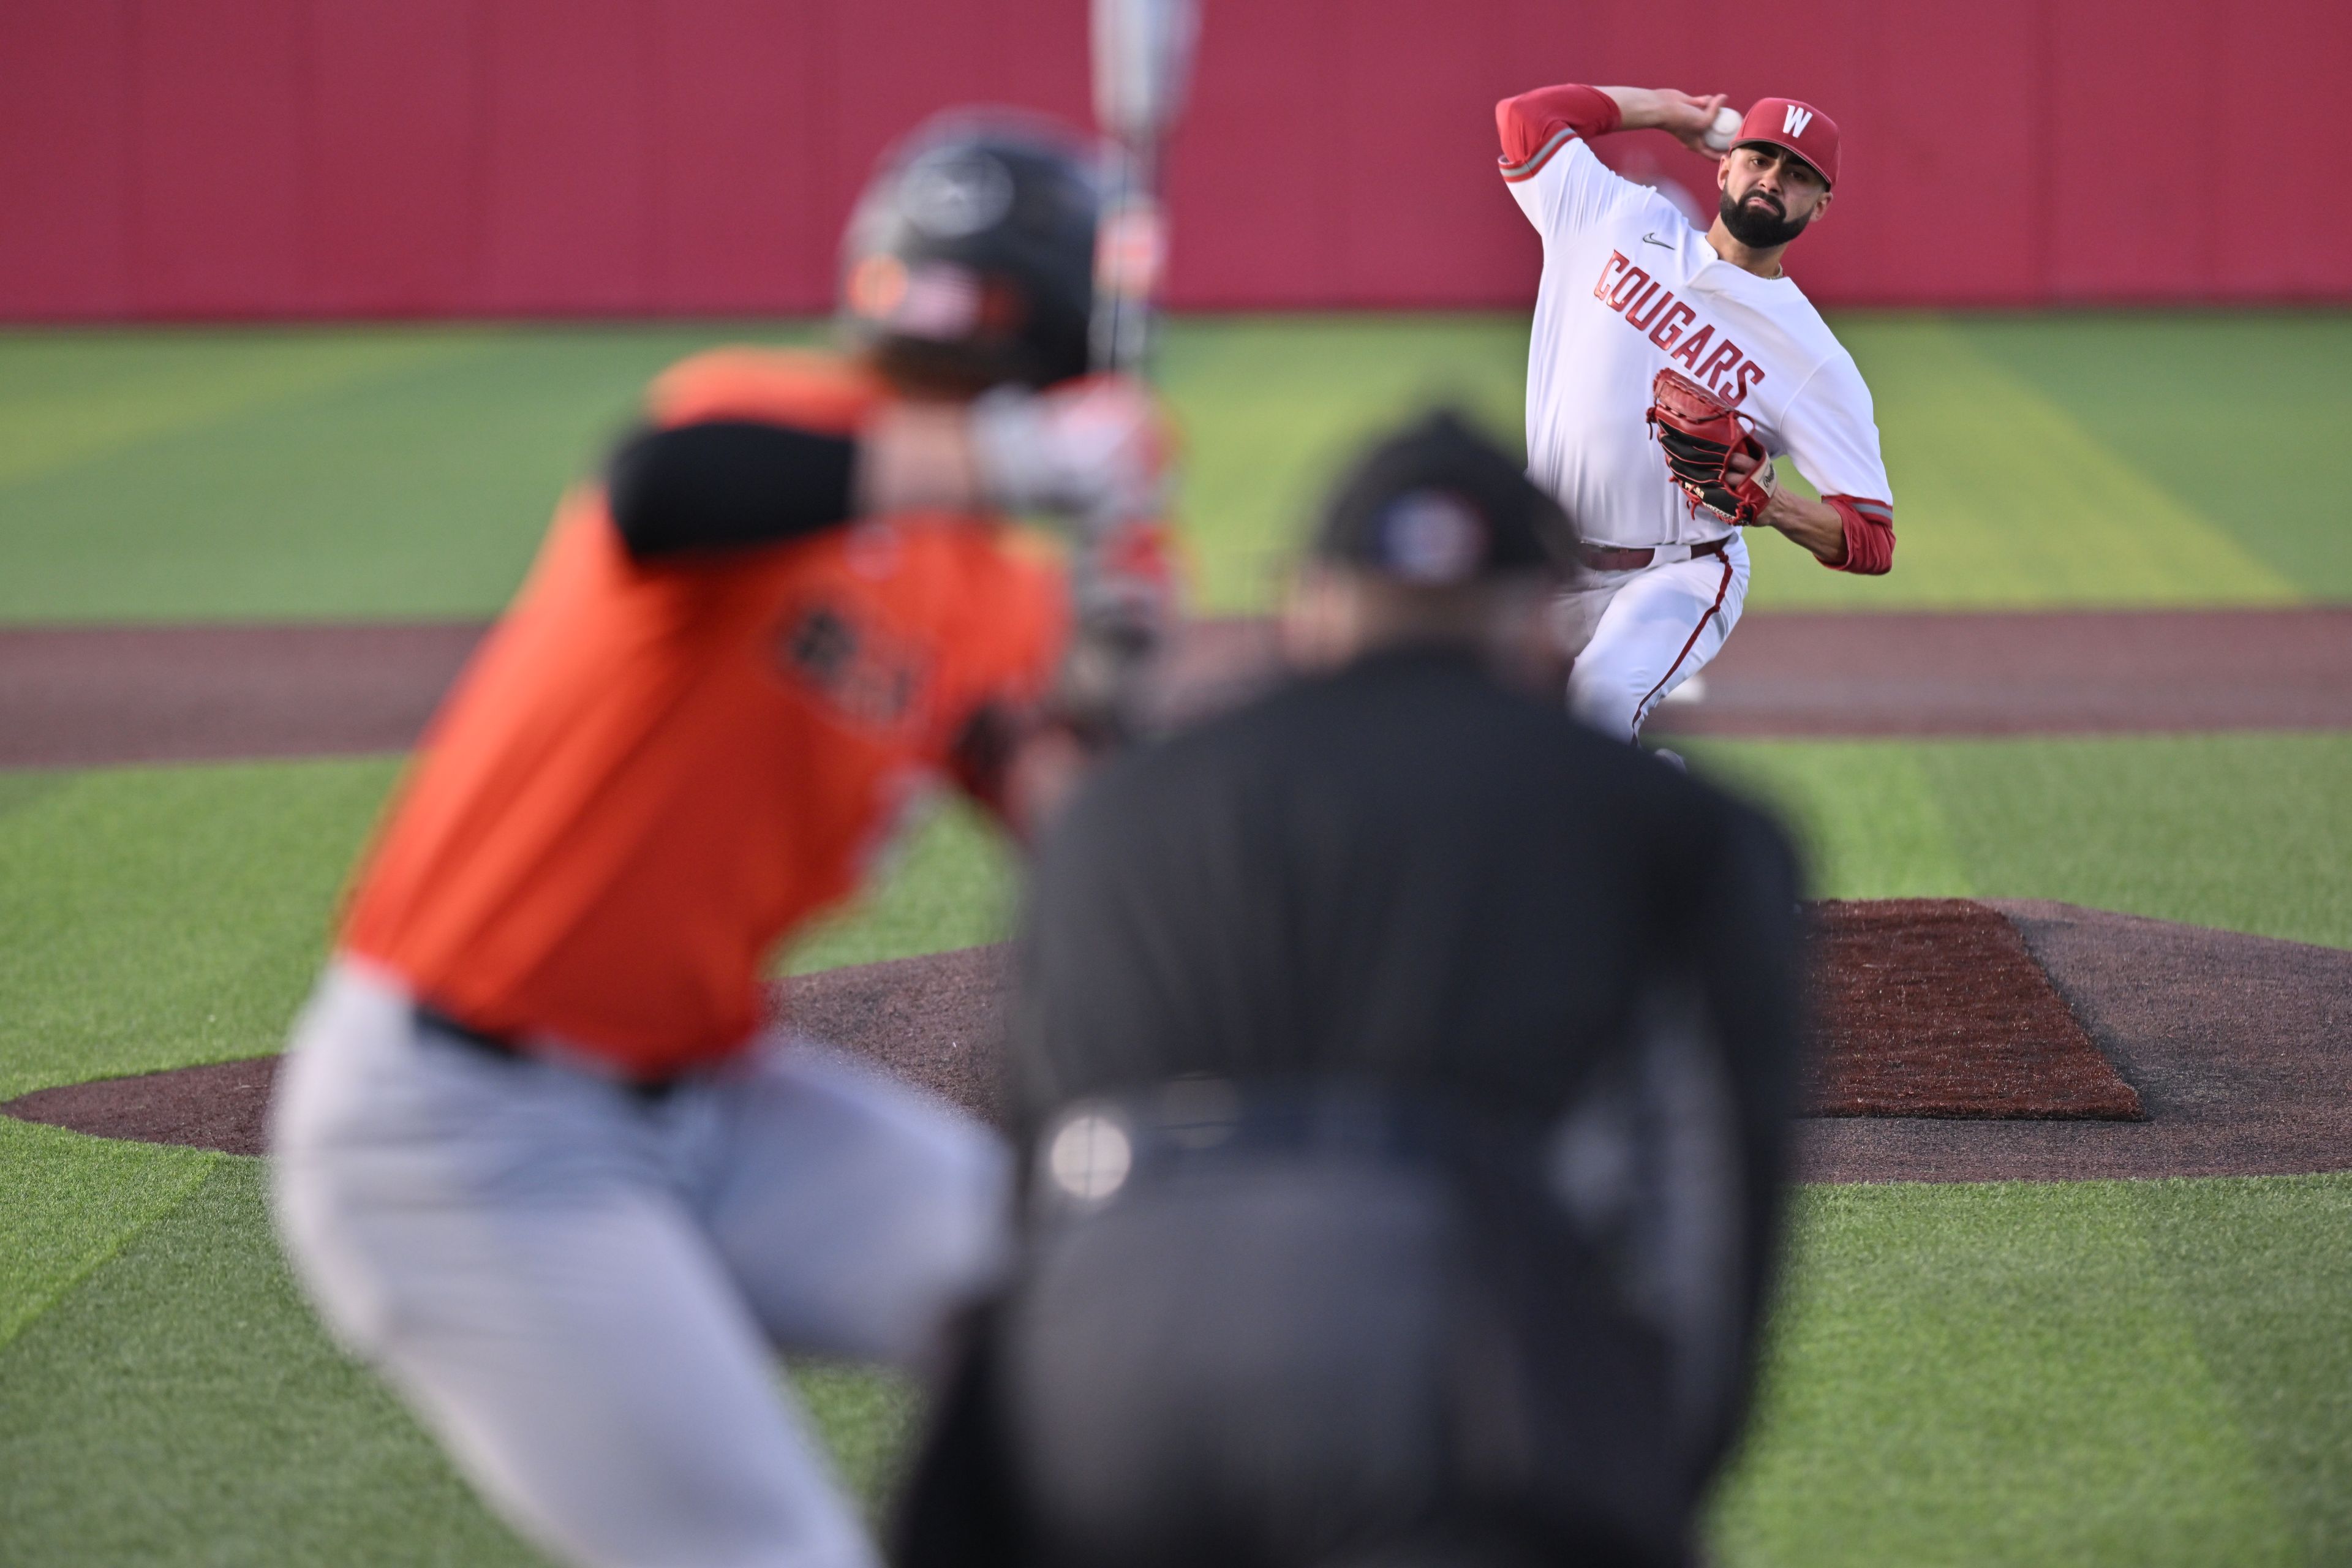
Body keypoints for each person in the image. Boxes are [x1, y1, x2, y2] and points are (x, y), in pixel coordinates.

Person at [269, 112, 1172, 1568]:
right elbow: (663, 484)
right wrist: (1011, 451)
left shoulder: (986, 592)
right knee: (766, 1547)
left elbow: (1089, 847)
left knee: (1091, 1300)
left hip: (715, 1101)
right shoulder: (765, 426)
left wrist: (1116, 666)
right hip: (461, 1133)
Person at [894, 413, 1807, 1568]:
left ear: (1310, 606)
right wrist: (1638, 1477)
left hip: (1098, 1366)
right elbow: (1708, 1215)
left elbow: (1032, 1165)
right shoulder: (1682, 829)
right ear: (1542, 625)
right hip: (1425, 1358)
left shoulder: (1110, 815)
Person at [1496, 82, 1897, 748]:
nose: (1773, 180)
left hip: (1678, 571)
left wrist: (1774, 507)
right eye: (1760, 160)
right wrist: (1665, 111)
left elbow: (1871, 537)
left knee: (1598, 701)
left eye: (1798, 175)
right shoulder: (1614, 218)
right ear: (1724, 164)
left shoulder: (1814, 360)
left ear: (1821, 206)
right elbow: (1525, 119)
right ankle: (1655, 804)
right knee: (1475, 737)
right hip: (1545, 557)